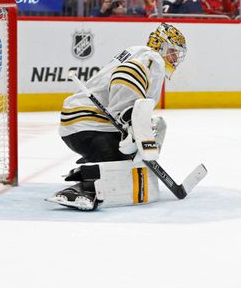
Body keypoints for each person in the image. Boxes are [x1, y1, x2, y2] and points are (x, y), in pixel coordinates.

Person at [48, 23, 187, 210]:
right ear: (160, 45)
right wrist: (128, 118)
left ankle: (89, 169)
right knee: (125, 166)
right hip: (90, 124)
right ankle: (82, 189)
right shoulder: (151, 57)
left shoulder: (138, 53)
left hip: (81, 124)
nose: (174, 58)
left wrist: (134, 125)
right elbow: (126, 76)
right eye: (172, 51)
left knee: (128, 159)